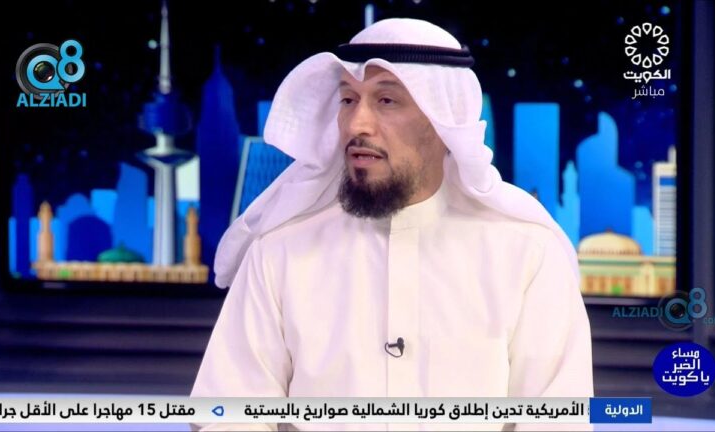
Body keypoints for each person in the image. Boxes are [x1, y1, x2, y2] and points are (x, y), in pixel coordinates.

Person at [191, 17, 593, 431]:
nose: (357, 124)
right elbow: (225, 415)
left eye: (386, 100)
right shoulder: (280, 252)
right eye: (348, 100)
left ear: (442, 119)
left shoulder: (526, 254)